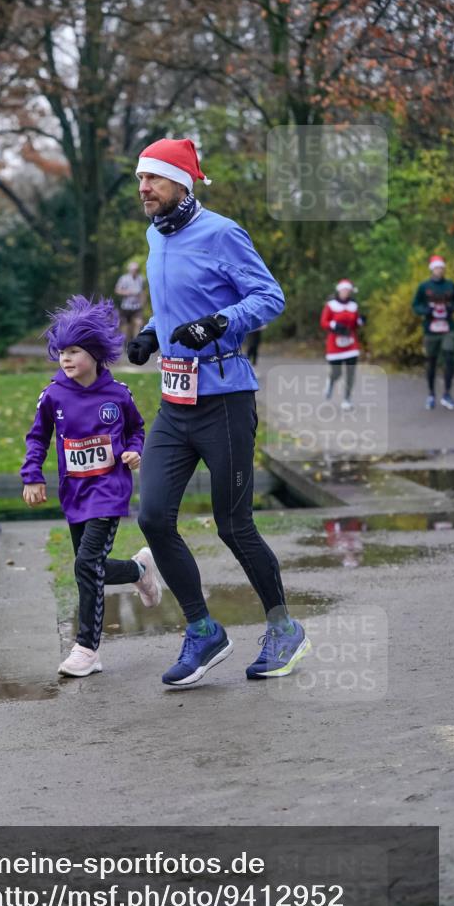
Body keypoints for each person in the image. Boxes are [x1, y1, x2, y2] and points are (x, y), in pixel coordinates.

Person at [127, 137, 310, 688]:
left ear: (181, 182)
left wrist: (219, 323)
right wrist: (150, 333)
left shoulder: (222, 232)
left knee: (234, 524)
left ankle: (284, 628)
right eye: (140, 180)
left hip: (225, 400)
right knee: (154, 517)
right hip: (174, 402)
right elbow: (173, 307)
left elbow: (268, 297)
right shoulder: (155, 236)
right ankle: (204, 630)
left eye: (153, 179)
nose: (143, 189)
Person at [21, 295, 162, 678]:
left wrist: (134, 452)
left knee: (86, 564)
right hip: (75, 494)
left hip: (110, 491)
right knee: (91, 566)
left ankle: (87, 648)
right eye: (61, 352)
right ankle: (138, 570)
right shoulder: (53, 395)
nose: (65, 359)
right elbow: (37, 438)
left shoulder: (117, 394)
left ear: (96, 354)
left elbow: (136, 429)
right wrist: (32, 475)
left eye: (74, 351)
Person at [412, 254, 454, 410]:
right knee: (431, 361)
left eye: (442, 268)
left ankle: (447, 394)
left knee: (449, 356)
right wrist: (426, 311)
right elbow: (416, 305)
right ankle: (431, 394)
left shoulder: (450, 285)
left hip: (448, 327)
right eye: (437, 268)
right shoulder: (424, 287)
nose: (440, 270)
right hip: (430, 329)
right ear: (432, 269)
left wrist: (452, 307)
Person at [320, 279, 365, 410]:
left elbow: (356, 323)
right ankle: (330, 382)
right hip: (334, 344)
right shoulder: (331, 305)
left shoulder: (353, 306)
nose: (346, 292)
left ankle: (347, 399)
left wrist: (361, 321)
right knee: (337, 372)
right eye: (343, 290)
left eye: (348, 290)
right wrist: (334, 325)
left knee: (350, 373)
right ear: (339, 291)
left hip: (351, 343)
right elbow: (323, 322)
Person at [115, 261, 146, 343]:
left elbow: (143, 292)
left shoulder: (141, 279)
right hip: (126, 306)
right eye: (133, 270)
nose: (134, 271)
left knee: (139, 323)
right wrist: (127, 292)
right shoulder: (123, 279)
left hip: (137, 306)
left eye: (136, 270)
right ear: (129, 270)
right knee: (127, 327)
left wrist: (143, 302)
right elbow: (117, 290)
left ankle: (136, 342)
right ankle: (127, 342)